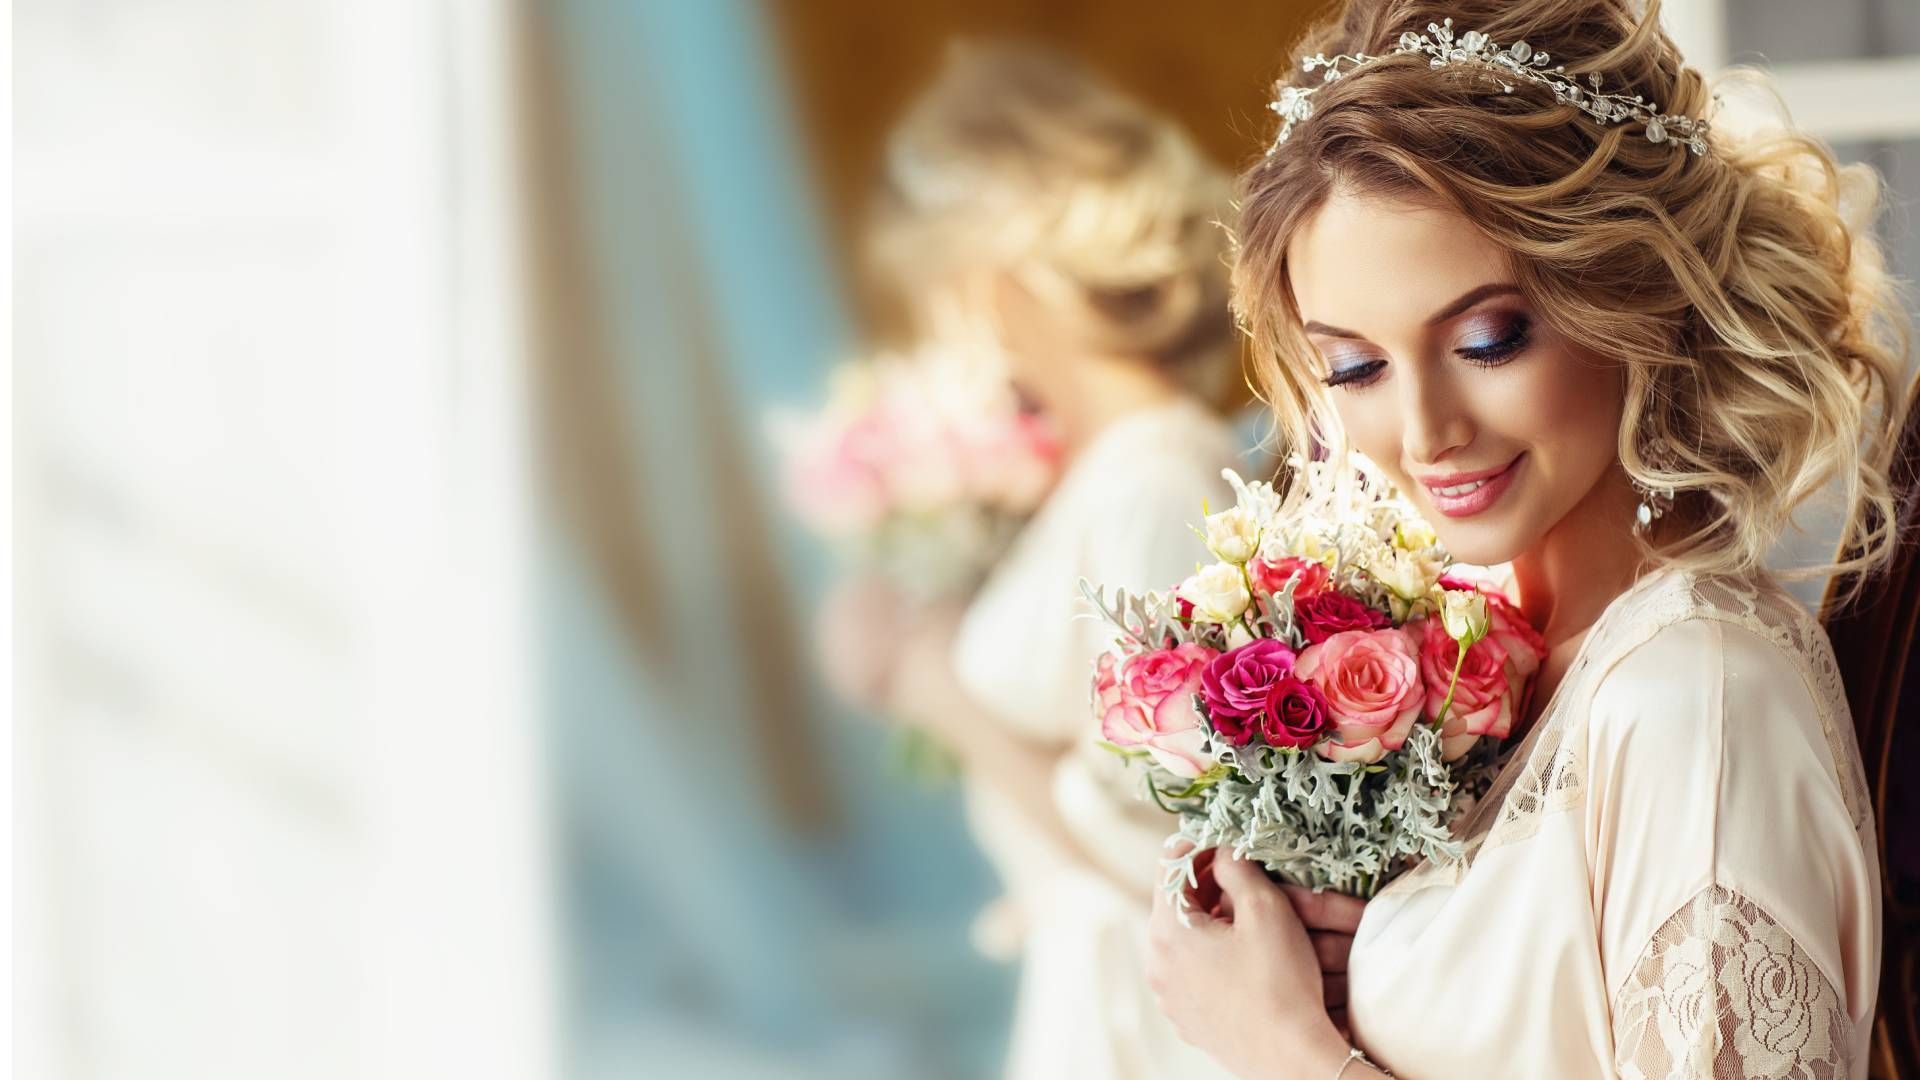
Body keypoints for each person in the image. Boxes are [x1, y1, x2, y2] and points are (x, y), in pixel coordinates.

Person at [1141, 1, 1908, 1077]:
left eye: (1487, 338)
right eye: (1356, 366)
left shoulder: (1696, 699)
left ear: (1631, 291)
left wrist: (1279, 1047)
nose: (1425, 434)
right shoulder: (1502, 670)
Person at [816, 41, 1252, 1079]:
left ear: (992, 290)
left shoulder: (1154, 489)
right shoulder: (1107, 476)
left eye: (931, 301)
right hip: (1088, 994)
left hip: (1144, 1026)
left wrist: (932, 682)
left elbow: (1175, 853)